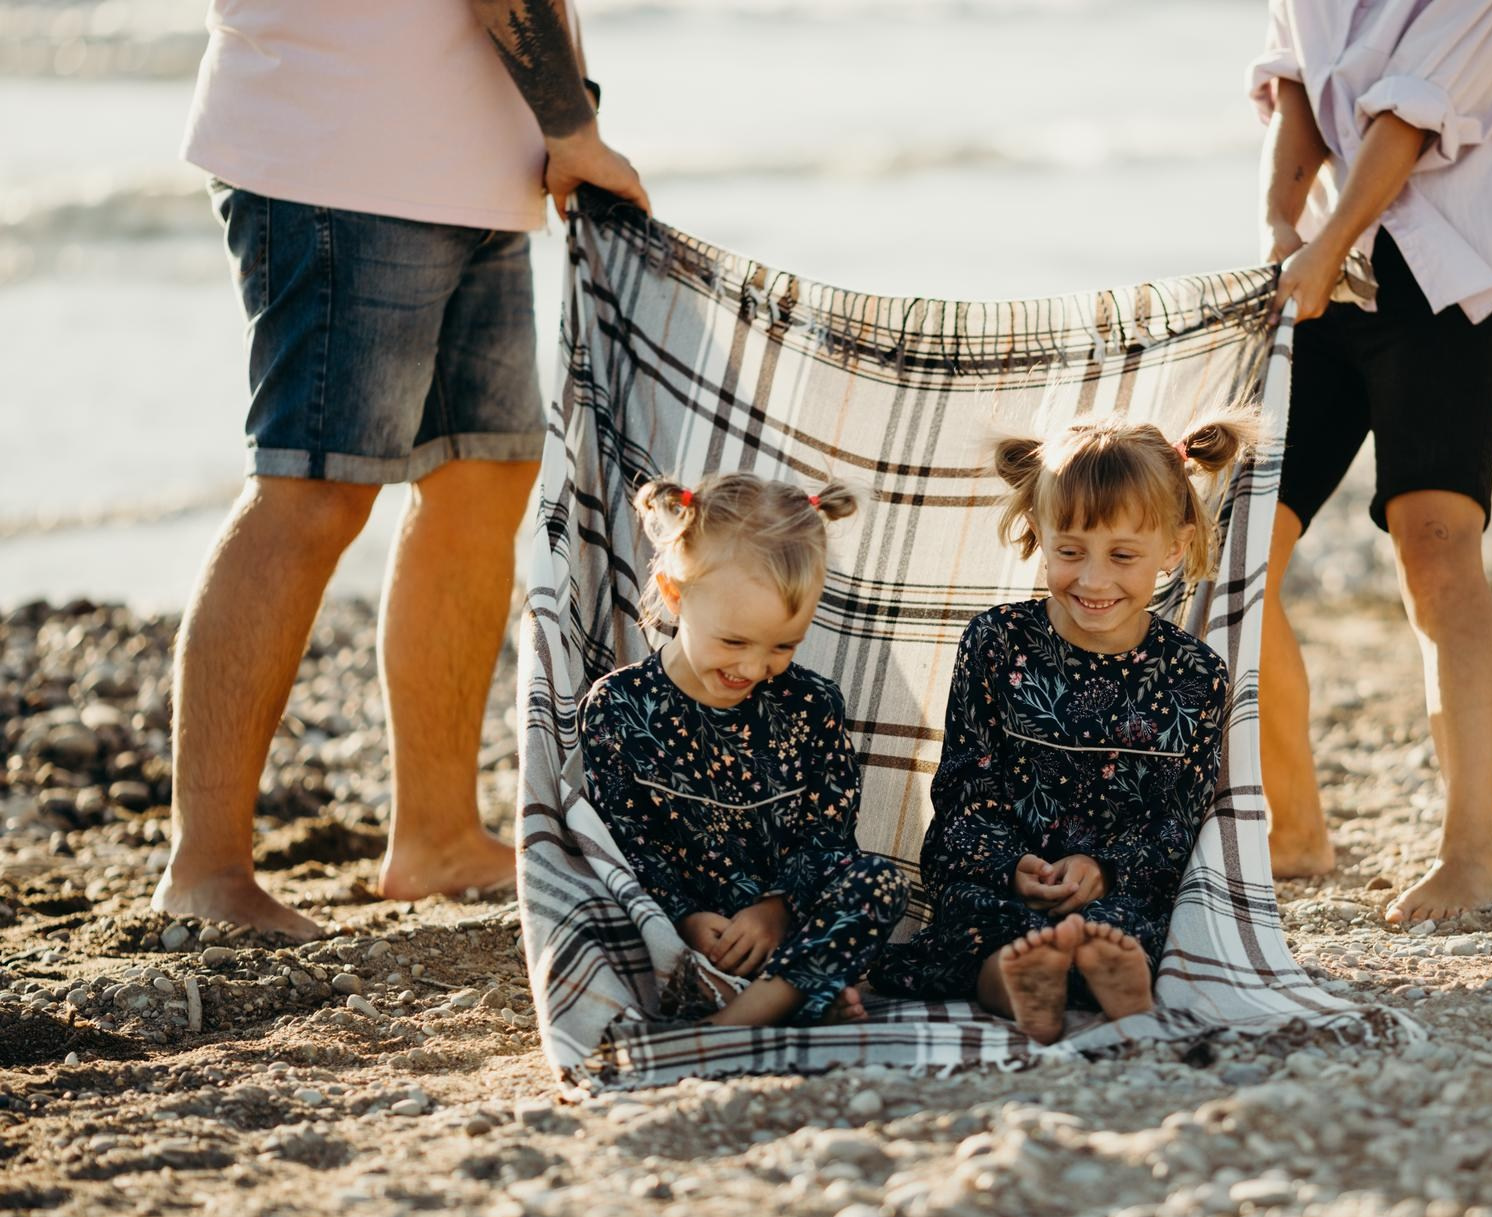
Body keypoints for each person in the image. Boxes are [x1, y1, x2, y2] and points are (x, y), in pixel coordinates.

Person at [152, 1, 650, 939]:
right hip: (342, 154)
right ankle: (205, 870)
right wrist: (574, 127)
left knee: (480, 477)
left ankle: (438, 837)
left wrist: (560, 116)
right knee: (312, 491)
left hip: (476, 170)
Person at [1248, 0, 1492, 923]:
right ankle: (1294, 829)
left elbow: (1410, 110)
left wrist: (1325, 245)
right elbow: (1298, 77)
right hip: (1327, 262)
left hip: (1453, 264)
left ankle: (1471, 858)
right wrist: (1280, 224)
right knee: (1234, 546)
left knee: (1435, 550)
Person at [869, 413, 1249, 1044]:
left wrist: (1103, 869)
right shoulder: (997, 642)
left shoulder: (1195, 673)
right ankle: (1015, 979)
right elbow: (964, 787)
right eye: (1070, 552)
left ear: (1174, 548)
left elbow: (1176, 821)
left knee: (1132, 924)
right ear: (1038, 533)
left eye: (1123, 555)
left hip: (1115, 889)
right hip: (1002, 881)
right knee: (974, 920)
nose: (1094, 580)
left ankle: (1109, 970)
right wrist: (1009, 864)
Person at [578, 475, 909, 1027]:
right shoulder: (619, 706)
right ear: (675, 594)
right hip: (675, 931)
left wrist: (777, 910)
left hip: (787, 928)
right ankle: (798, 995)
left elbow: (826, 836)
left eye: (784, 645)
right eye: (733, 641)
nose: (754, 668)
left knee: (878, 881)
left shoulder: (810, 704)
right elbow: (624, 841)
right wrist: (684, 917)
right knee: (600, 907)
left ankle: (749, 1012)